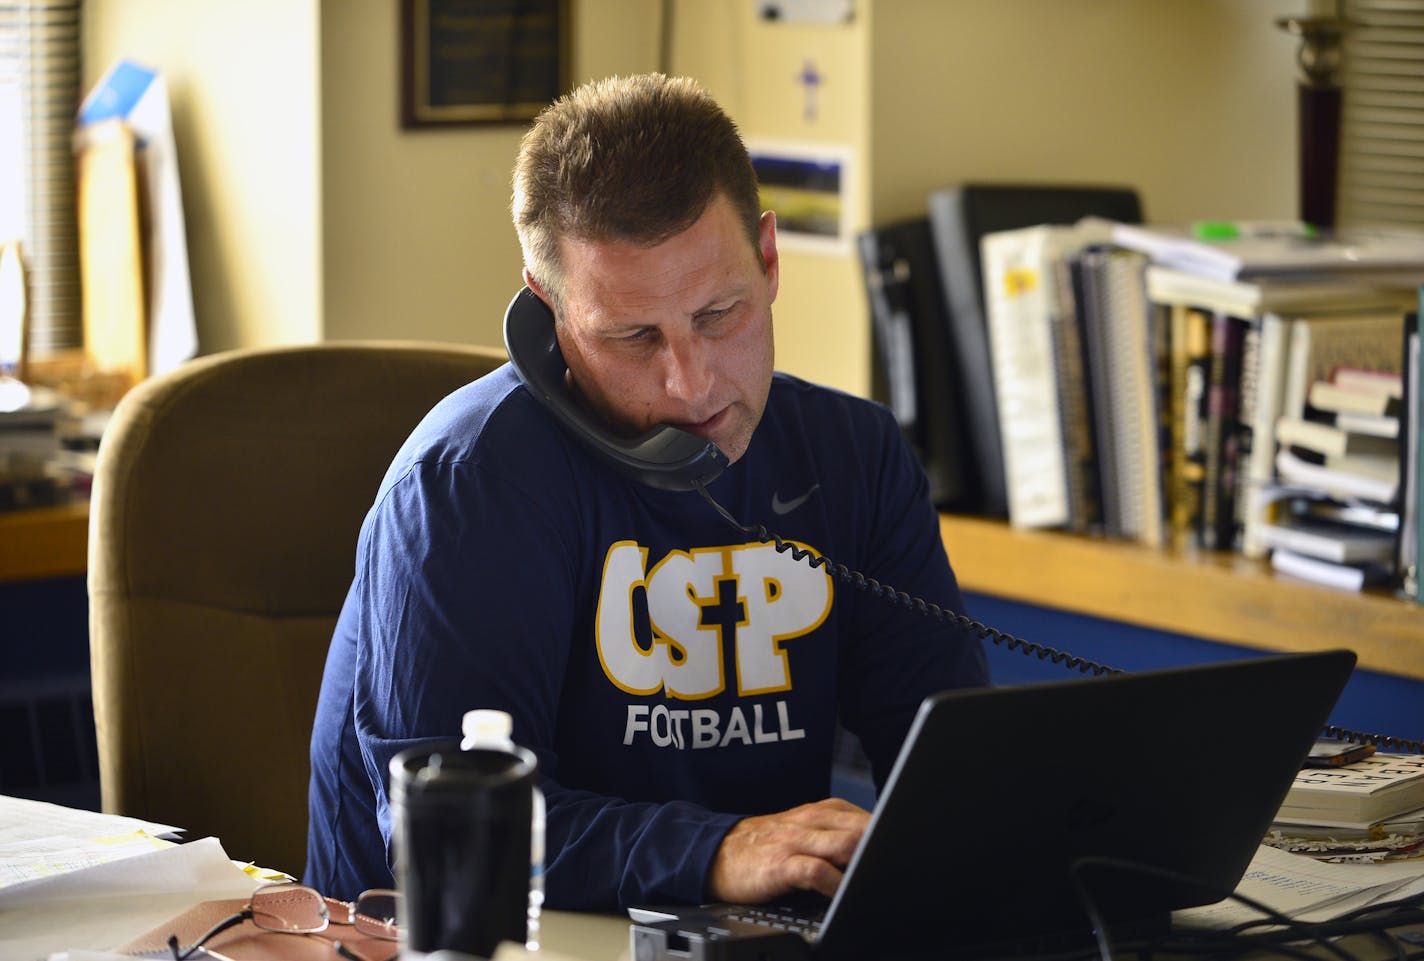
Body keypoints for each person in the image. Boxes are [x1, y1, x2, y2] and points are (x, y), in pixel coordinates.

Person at [304, 72, 989, 911]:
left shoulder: (855, 456)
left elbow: (957, 777)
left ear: (769, 259)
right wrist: (719, 850)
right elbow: (446, 832)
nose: (693, 385)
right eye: (633, 336)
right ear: (550, 312)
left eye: (720, 313)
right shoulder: (467, 487)